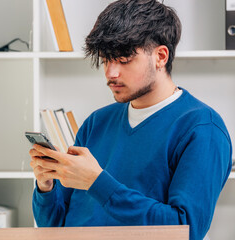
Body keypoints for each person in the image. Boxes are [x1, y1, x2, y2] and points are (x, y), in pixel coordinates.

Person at [29, 1, 232, 239]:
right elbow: (53, 226)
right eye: (106, 59)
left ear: (161, 56)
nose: (110, 73)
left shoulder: (202, 129)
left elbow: (186, 229)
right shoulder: (97, 122)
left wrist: (97, 182)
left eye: (124, 59)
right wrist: (45, 187)